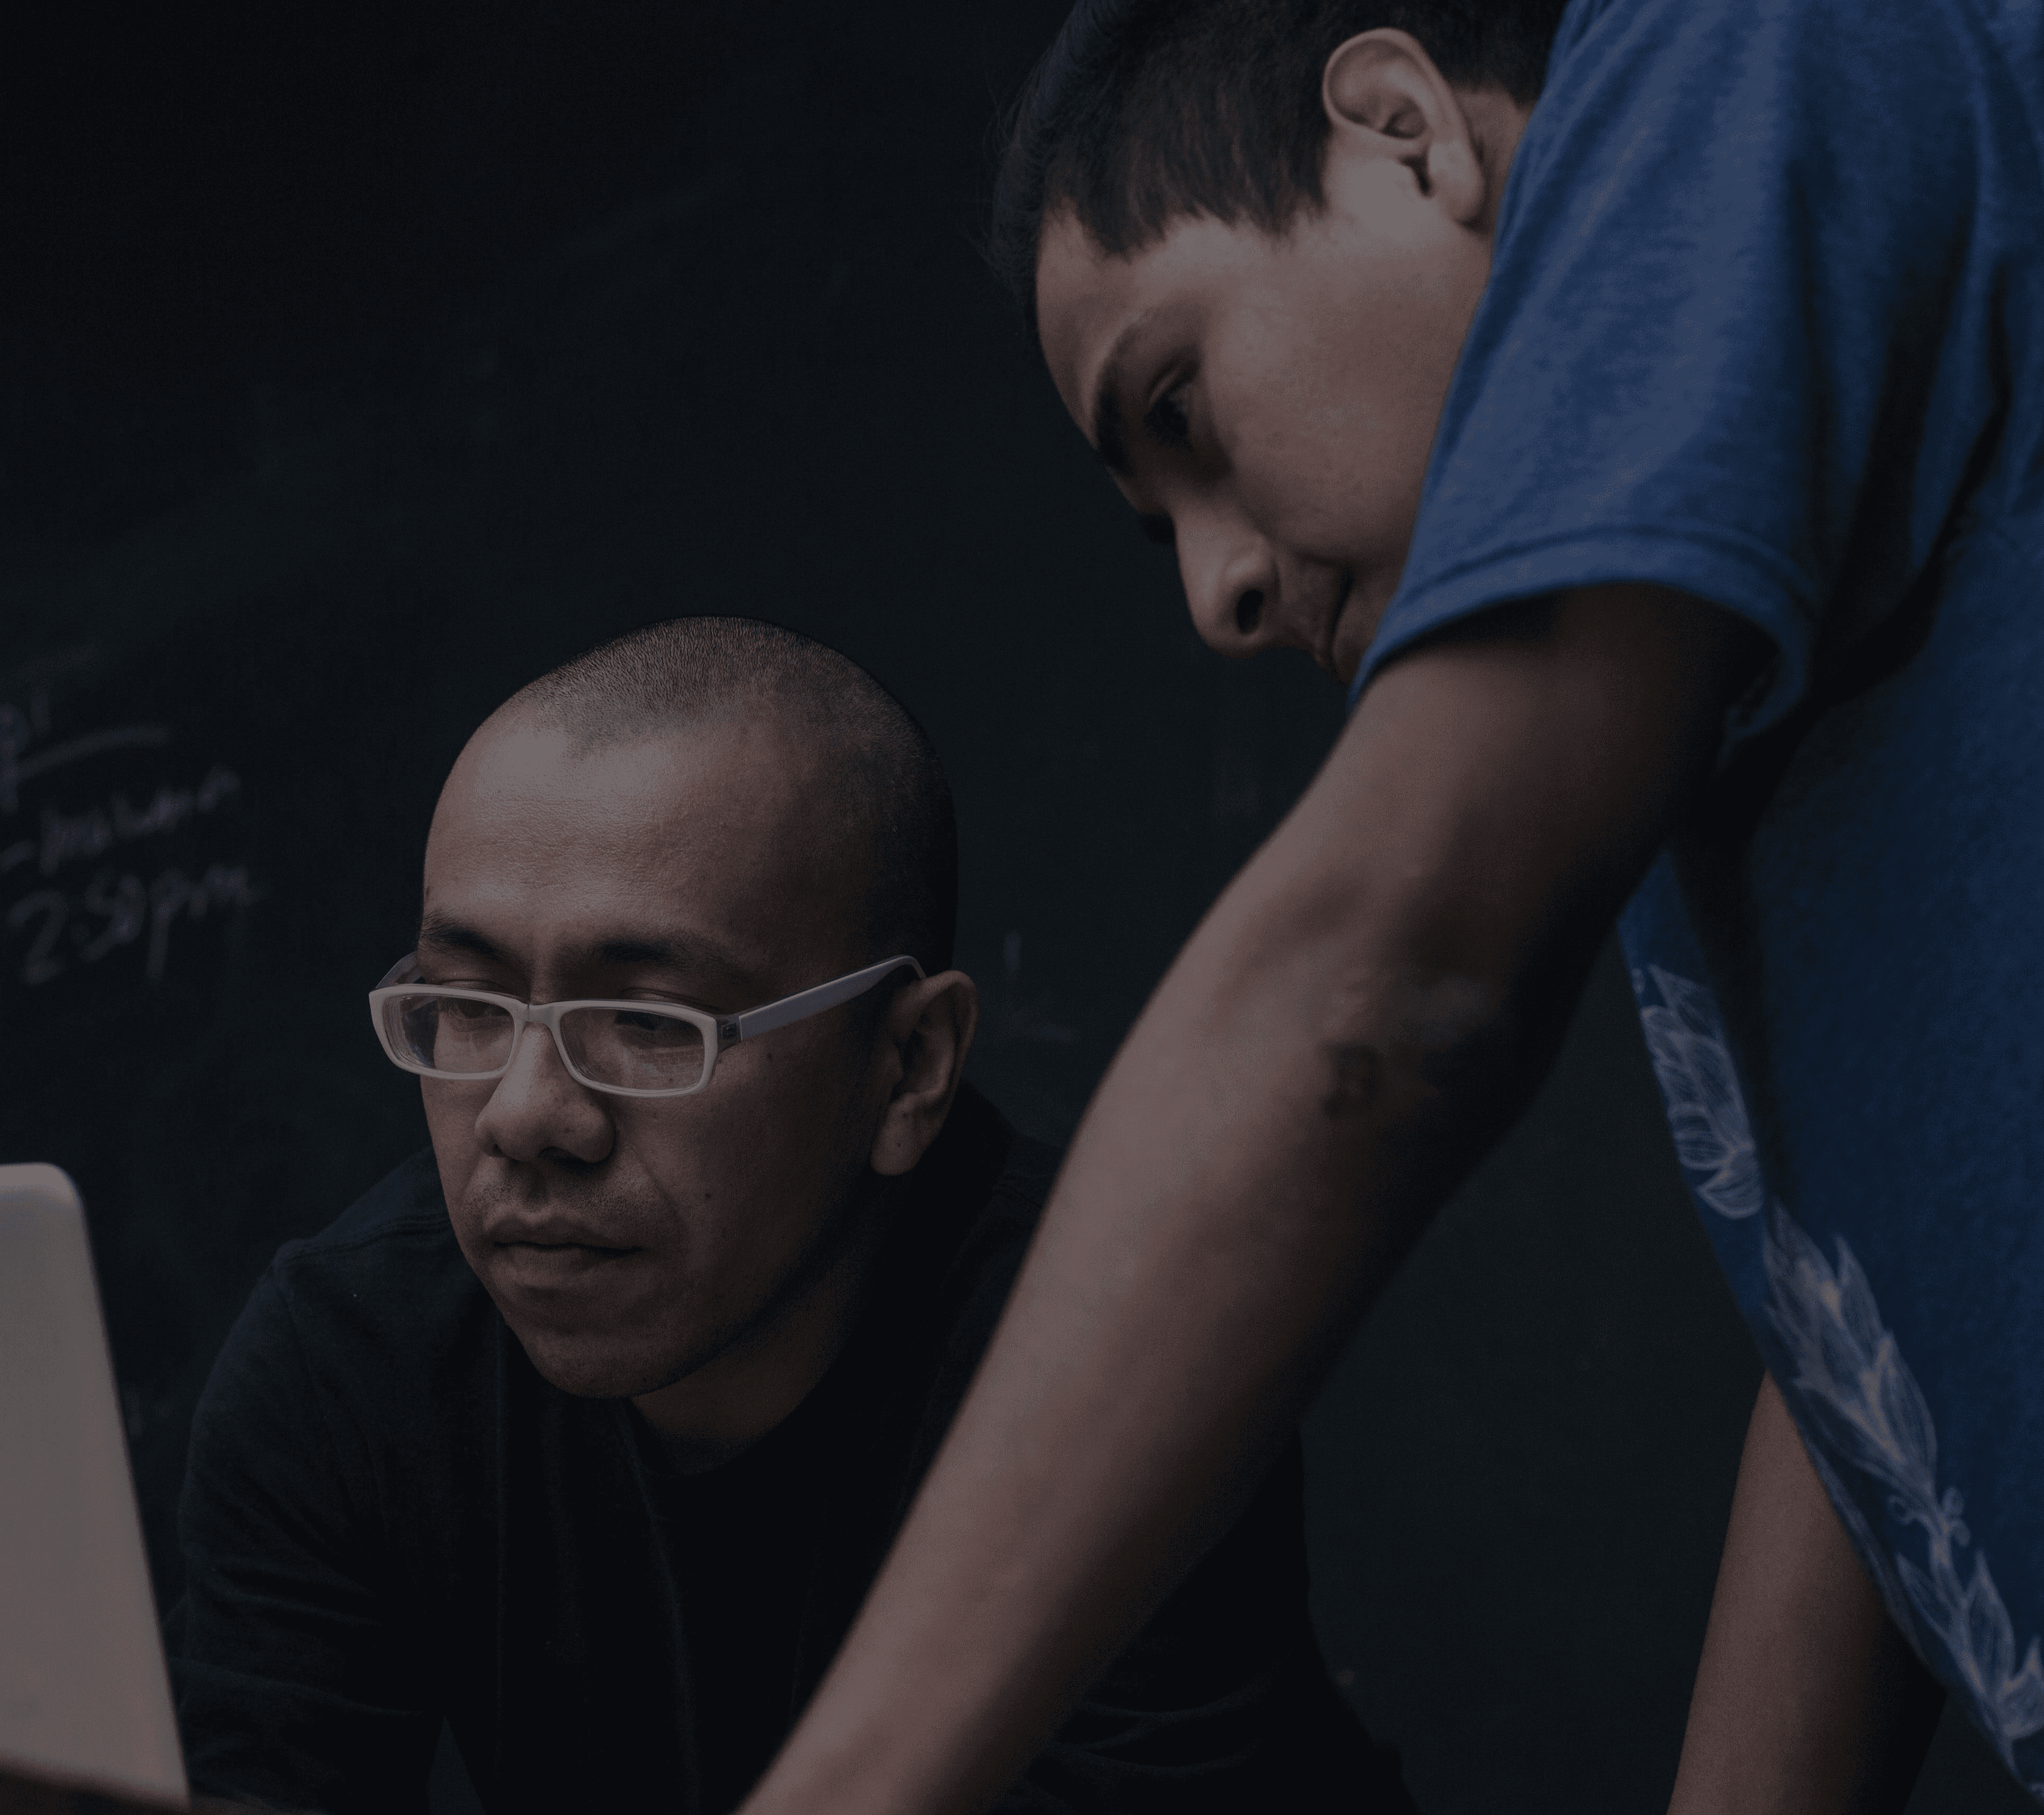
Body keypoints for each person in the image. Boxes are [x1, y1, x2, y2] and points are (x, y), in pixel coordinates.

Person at [732, 2, 2043, 1812]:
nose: (1215, 592)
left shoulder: (1739, 47)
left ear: (1398, 126)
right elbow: (1849, 1342)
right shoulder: (1712, 709)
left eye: (1179, 411)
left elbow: (1373, 1002)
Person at [166, 617, 1415, 1814]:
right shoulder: (350, 1367)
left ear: (910, 1066)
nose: (524, 1116)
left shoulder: (1113, 1365)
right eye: (469, 1008)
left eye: (653, 1024)